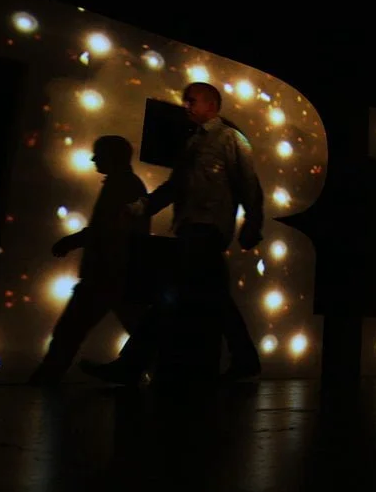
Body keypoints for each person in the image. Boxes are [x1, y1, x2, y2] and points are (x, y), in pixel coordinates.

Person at [80, 81, 265, 385]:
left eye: (192, 101)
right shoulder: (192, 144)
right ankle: (244, 360)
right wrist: (140, 208)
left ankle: (131, 364)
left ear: (211, 106)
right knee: (213, 296)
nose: (186, 106)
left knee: (170, 292)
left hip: (207, 229)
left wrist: (253, 223)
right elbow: (173, 187)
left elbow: (249, 184)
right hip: (192, 229)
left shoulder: (230, 139)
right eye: (185, 101)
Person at [28, 135, 150, 385]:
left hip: (107, 272)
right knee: (138, 329)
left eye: (99, 154)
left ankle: (47, 376)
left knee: (70, 329)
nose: (94, 159)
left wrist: (73, 241)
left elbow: (108, 229)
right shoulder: (128, 185)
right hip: (119, 272)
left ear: (112, 157)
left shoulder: (122, 186)